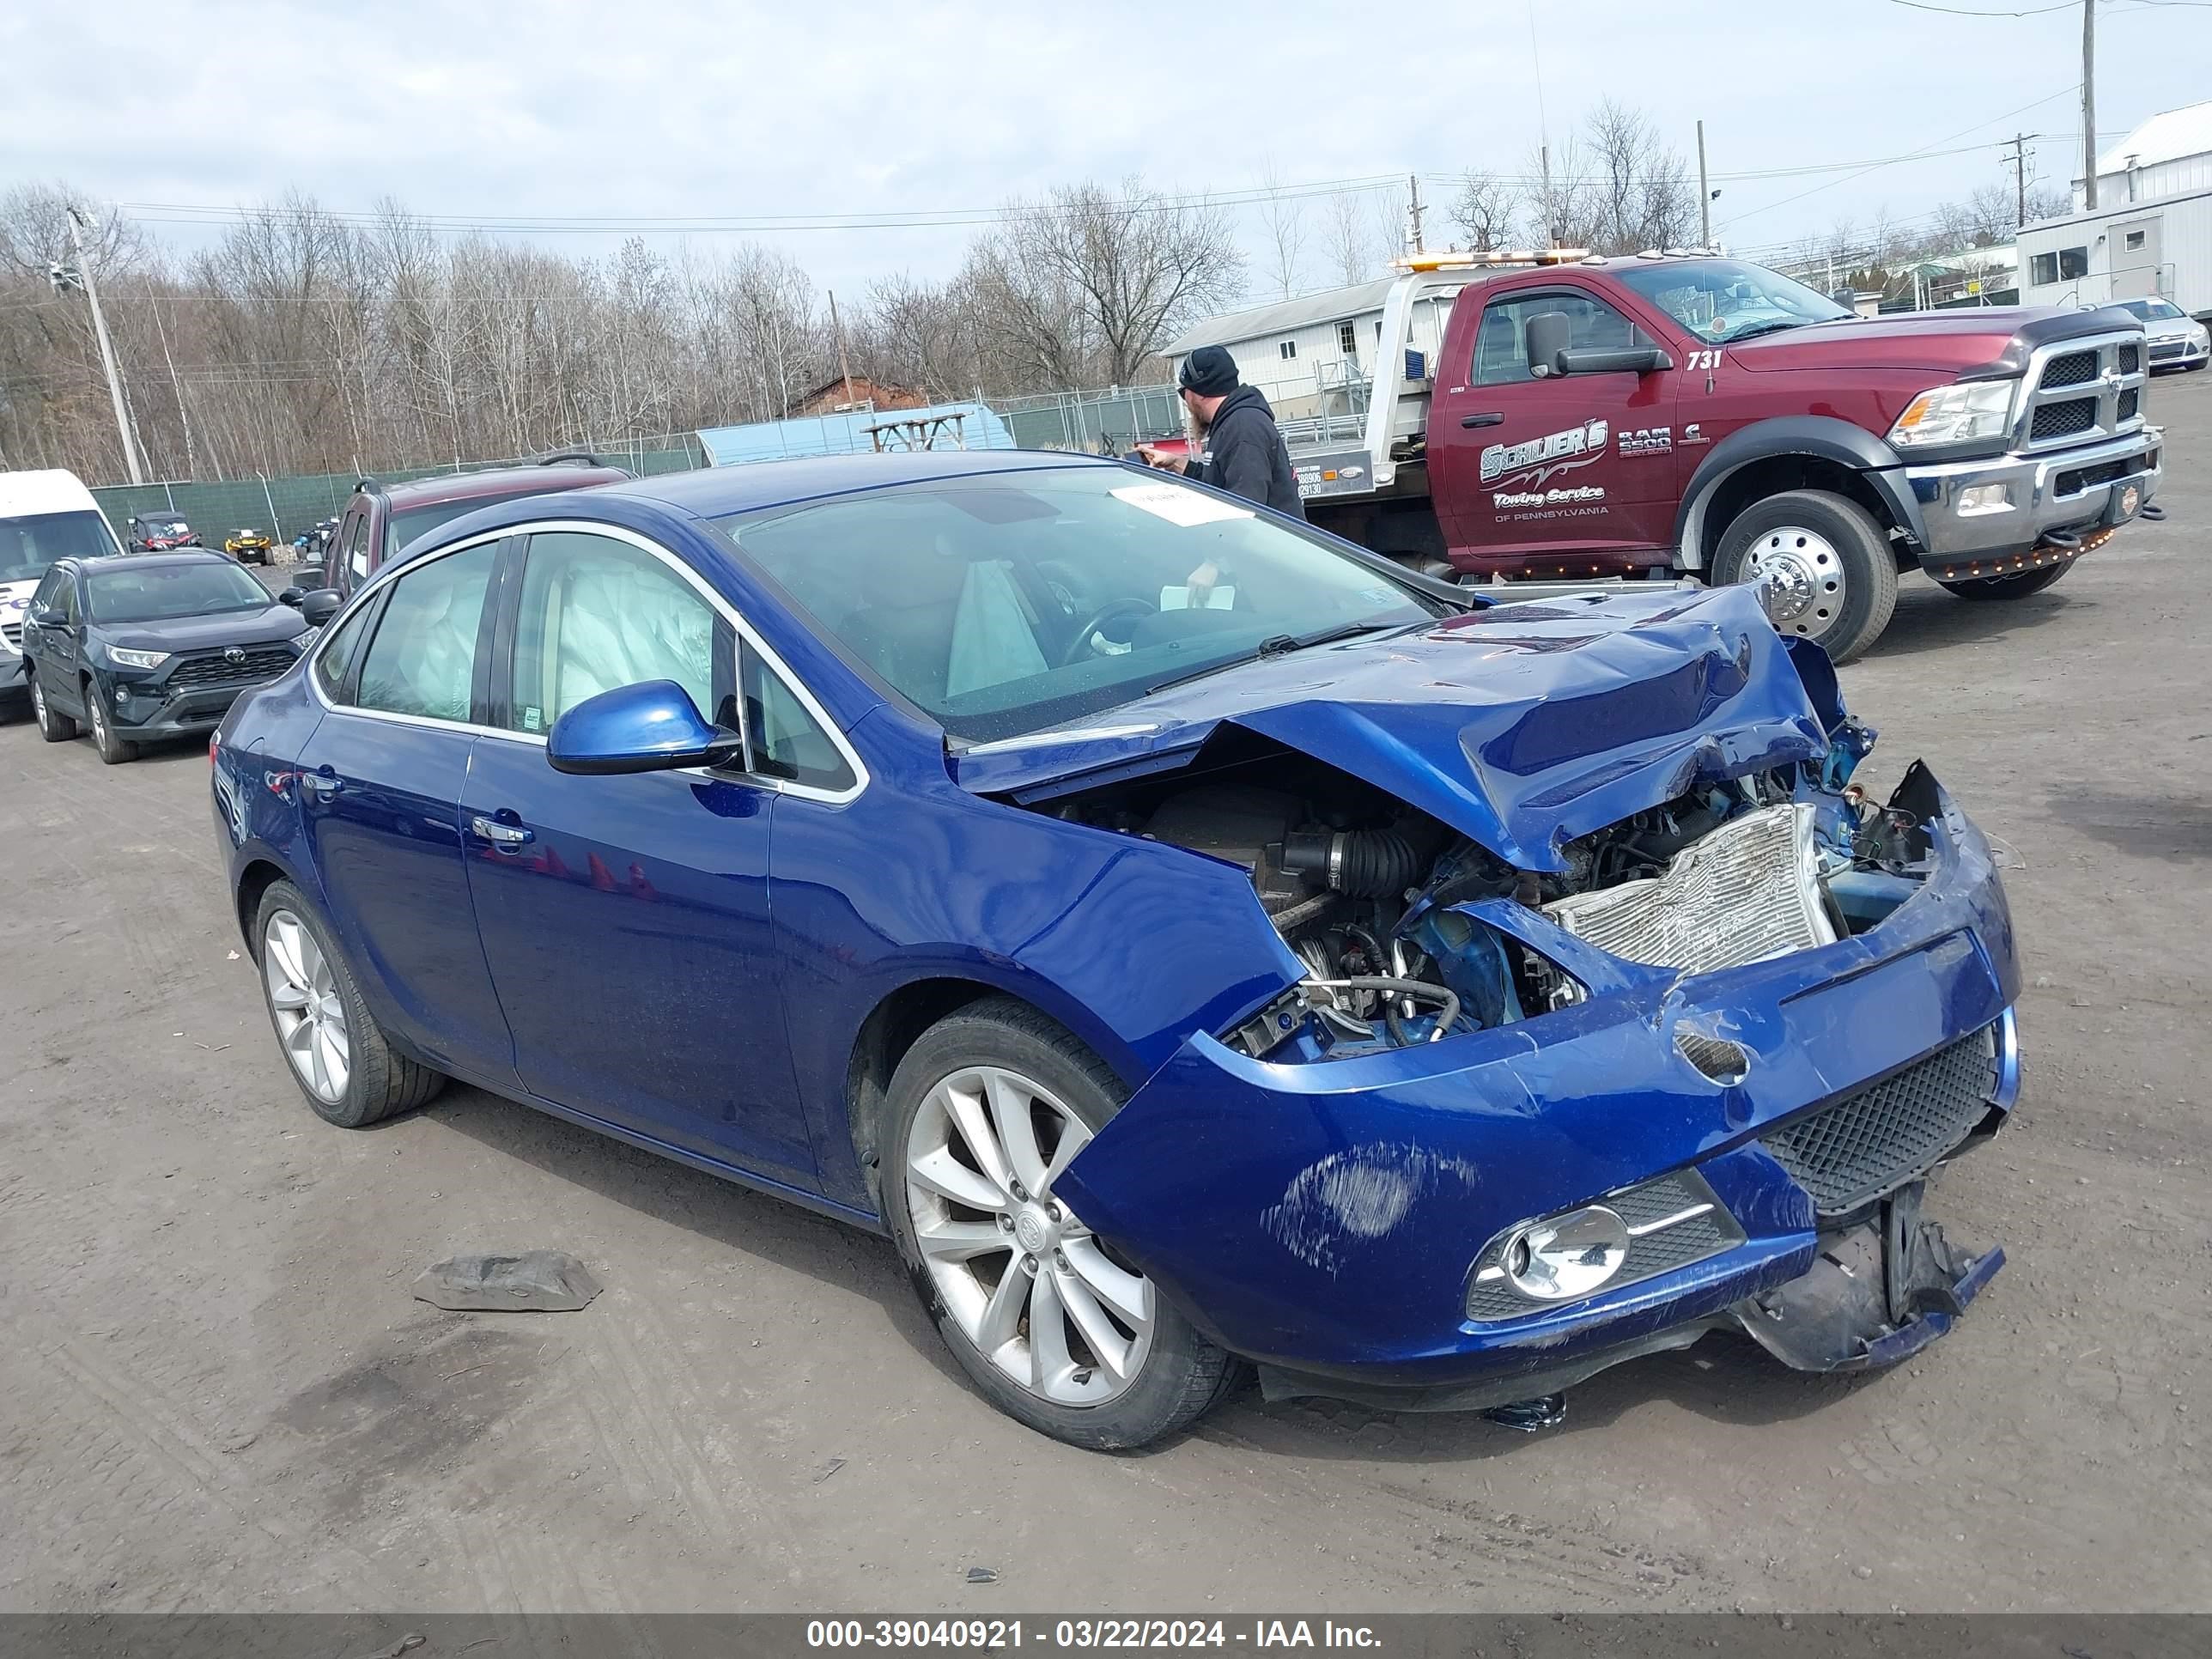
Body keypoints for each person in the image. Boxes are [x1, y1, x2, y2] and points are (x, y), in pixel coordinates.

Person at [1138, 346, 1305, 521]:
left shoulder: (1244, 428)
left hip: (1271, 547)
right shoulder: (1231, 422)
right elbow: (1218, 484)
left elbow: (1243, 512)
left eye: (1183, 392)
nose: (1185, 401)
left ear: (1199, 393)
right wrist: (1176, 463)